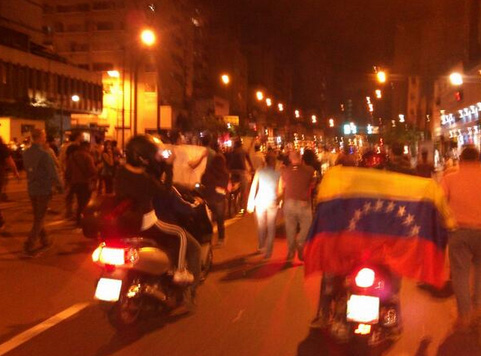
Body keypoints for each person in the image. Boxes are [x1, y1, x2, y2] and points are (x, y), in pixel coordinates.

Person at [115, 135, 201, 286]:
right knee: (181, 234)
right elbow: (166, 192)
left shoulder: (120, 173)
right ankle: (180, 272)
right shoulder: (144, 179)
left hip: (126, 222)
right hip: (146, 222)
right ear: (143, 158)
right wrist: (168, 166)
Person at [441, 145, 481, 329]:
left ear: (461, 160)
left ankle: (464, 315)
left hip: (459, 232)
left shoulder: (449, 178)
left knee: (460, 274)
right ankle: (478, 308)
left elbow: (440, 203)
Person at [22, 129, 63, 256]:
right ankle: (29, 243)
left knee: (38, 216)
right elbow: (52, 173)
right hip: (43, 189)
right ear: (40, 137)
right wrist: (60, 186)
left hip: (32, 188)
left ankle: (45, 240)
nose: (45, 138)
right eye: (44, 136)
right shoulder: (44, 155)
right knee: (39, 218)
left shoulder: (26, 153)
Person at [279, 151, 315, 261]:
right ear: (300, 158)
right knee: (306, 226)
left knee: (290, 228)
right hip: (304, 203)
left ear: (290, 159)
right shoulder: (309, 170)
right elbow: (313, 184)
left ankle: (291, 251)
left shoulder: (285, 171)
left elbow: (282, 187)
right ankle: (300, 242)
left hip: (289, 202)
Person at [247, 154, 280, 259]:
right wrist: (279, 201)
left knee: (261, 226)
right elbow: (279, 191)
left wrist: (250, 203)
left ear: (265, 162)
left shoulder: (259, 172)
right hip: (272, 202)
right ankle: (269, 252)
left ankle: (261, 246)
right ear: (274, 163)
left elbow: (253, 187)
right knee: (271, 227)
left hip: (260, 201)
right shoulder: (278, 174)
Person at [66, 141, 97, 227]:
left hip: (75, 183)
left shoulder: (72, 156)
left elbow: (68, 171)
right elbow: (92, 171)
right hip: (85, 182)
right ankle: (83, 221)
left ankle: (78, 220)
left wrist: (68, 182)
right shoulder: (87, 156)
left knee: (79, 202)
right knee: (85, 203)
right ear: (87, 147)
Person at [201, 154, 230, 247]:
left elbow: (203, 181)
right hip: (219, 199)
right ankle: (221, 239)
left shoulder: (208, 171)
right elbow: (224, 186)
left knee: (208, 221)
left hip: (208, 198)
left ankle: (208, 239)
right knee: (220, 221)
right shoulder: (225, 173)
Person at [228, 139, 254, 215]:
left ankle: (232, 208)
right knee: (244, 192)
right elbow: (249, 161)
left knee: (232, 191)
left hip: (232, 172)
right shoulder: (243, 151)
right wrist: (252, 168)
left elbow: (229, 163)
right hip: (241, 172)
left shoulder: (232, 152)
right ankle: (244, 210)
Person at [61, 132, 83, 218]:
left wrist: (63, 170)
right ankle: (75, 212)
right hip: (75, 175)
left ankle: (69, 211)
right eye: (81, 135)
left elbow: (61, 159)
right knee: (77, 195)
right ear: (77, 137)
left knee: (69, 194)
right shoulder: (76, 147)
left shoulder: (64, 146)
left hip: (67, 172)